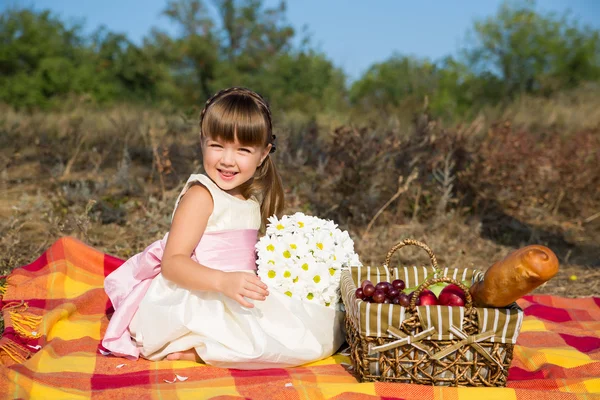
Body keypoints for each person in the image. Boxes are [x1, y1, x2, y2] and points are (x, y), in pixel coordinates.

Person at [101, 87, 344, 369]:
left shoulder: (250, 198)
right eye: (217, 145)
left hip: (236, 289)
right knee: (258, 342)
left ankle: (211, 347)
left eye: (243, 150)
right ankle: (199, 349)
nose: (227, 160)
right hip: (201, 291)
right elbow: (173, 263)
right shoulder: (201, 196)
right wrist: (222, 282)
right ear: (202, 141)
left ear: (264, 154)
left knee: (311, 331)